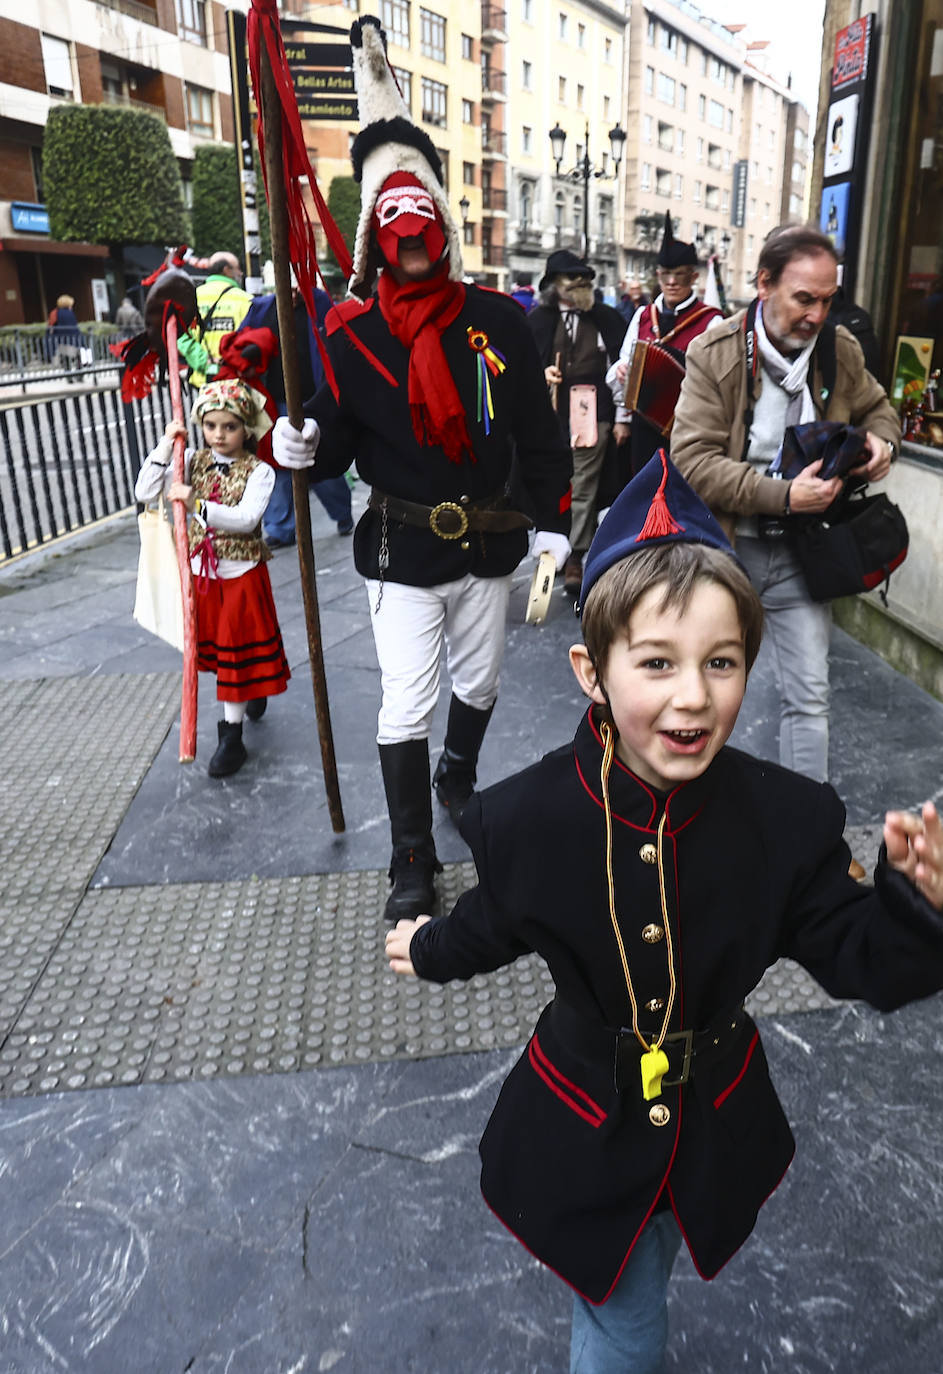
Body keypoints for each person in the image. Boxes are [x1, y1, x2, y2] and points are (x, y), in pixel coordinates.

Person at [384, 452, 943, 1372]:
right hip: (584, 1123)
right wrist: (426, 948)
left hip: (711, 1117)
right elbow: (496, 924)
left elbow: (860, 956)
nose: (694, 696)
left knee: (645, 1268)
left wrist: (918, 905)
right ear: (592, 671)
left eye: (722, 662)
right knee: (620, 1318)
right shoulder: (527, 819)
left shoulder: (786, 822)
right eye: (657, 663)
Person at [273, 16, 572, 922]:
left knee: (477, 688)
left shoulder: (499, 319)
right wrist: (302, 441)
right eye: (392, 219)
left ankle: (461, 773)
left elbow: (535, 426)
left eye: (423, 215)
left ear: (442, 224)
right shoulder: (352, 333)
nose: (411, 230)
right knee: (405, 697)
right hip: (401, 553)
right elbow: (341, 426)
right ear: (374, 234)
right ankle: (411, 855)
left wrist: (553, 515)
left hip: (489, 548)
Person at [672, 223, 902, 783]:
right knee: (707, 695)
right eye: (805, 298)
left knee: (809, 697)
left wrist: (881, 443)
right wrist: (783, 496)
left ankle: (812, 833)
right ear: (765, 283)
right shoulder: (714, 351)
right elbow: (692, 461)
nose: (818, 315)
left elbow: (879, 408)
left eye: (828, 300)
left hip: (804, 553)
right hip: (727, 554)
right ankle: (698, 817)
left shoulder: (838, 349)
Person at [134, 377, 290, 777]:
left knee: (236, 657)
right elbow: (145, 489)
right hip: (201, 578)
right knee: (222, 657)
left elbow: (246, 519)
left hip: (241, 576)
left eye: (230, 426)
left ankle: (231, 737)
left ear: (247, 428)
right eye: (211, 425)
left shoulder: (260, 472)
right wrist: (168, 445)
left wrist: (197, 503)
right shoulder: (191, 459)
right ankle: (249, 695)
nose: (219, 435)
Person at [527, 248, 628, 595]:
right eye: (572, 279)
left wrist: (621, 417)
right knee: (554, 482)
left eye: (585, 279)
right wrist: (541, 374)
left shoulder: (607, 319)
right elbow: (521, 369)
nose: (581, 285)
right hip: (550, 415)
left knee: (583, 484)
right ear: (555, 285)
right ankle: (552, 545)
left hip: (592, 411)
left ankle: (576, 554)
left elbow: (624, 367)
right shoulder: (538, 320)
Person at [240, 279, 355, 546]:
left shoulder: (321, 303)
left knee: (316, 461)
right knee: (276, 464)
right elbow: (242, 339)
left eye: (296, 287)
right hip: (270, 402)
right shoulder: (261, 308)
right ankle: (281, 528)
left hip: (311, 399)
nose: (291, 293)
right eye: (286, 287)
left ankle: (342, 512)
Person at [608, 213, 723, 472]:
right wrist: (622, 417)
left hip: (688, 430)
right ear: (658, 275)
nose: (671, 282)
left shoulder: (711, 322)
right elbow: (625, 363)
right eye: (666, 274)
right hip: (642, 428)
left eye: (680, 275)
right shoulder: (643, 316)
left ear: (693, 277)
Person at [177, 252, 253, 387]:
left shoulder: (191, 297)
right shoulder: (246, 300)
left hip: (203, 382)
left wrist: (205, 363)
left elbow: (181, 337)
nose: (240, 273)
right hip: (236, 381)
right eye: (238, 268)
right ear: (227, 270)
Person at [49, 294, 82, 374]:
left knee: (66, 359)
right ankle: (80, 375)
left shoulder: (55, 313)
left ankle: (68, 376)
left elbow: (52, 325)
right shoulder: (70, 313)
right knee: (77, 358)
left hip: (62, 339)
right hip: (74, 339)